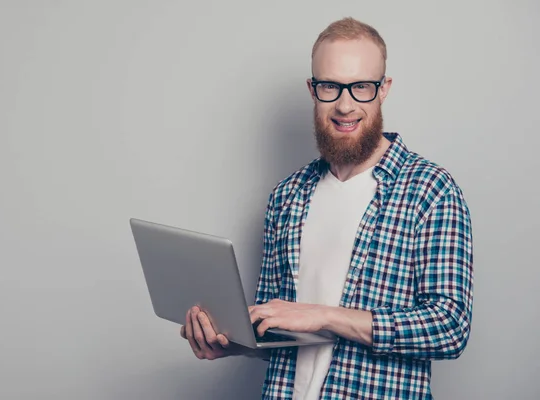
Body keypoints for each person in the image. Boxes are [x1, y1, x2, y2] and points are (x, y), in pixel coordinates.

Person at [180, 17, 474, 400]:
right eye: (331, 86)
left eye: (362, 87)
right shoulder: (286, 196)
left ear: (383, 89)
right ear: (313, 90)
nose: (345, 105)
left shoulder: (431, 190)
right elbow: (281, 334)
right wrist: (230, 341)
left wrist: (325, 315)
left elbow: (450, 328)